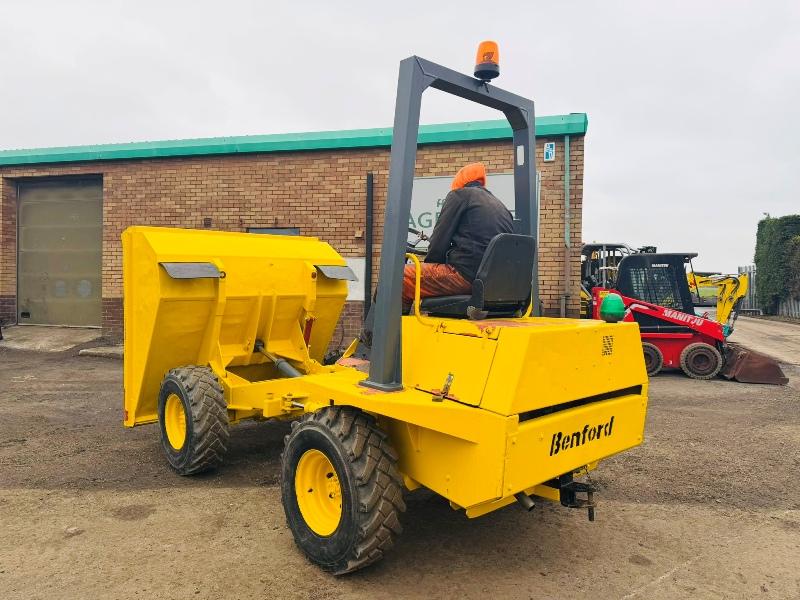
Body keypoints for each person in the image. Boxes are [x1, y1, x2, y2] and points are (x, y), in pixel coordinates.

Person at [402, 162, 513, 304]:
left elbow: (438, 241)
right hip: (494, 280)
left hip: (466, 275)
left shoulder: (460, 195)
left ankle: (388, 326)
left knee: (398, 277)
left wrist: (430, 266)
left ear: (459, 182)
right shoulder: (500, 205)